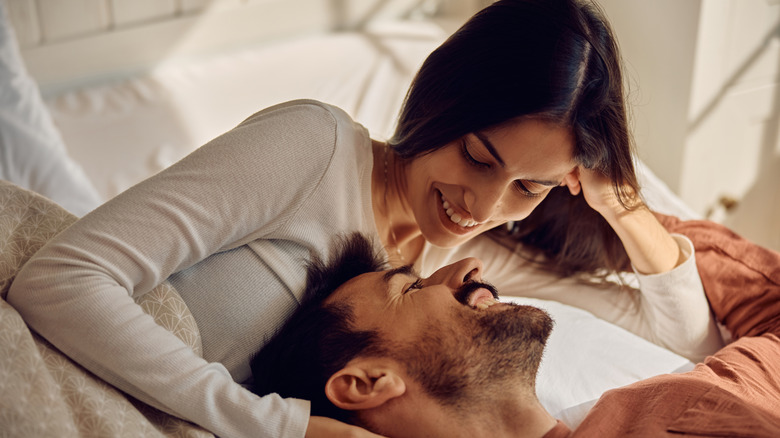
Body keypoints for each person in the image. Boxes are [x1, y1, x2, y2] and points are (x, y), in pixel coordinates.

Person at [7, 0, 723, 437]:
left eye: (528, 187)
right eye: (477, 156)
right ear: (442, 102)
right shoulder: (314, 151)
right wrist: (282, 427)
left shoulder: (456, 269)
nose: (482, 206)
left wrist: (620, 204)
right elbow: (61, 279)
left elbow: (688, 344)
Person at [251, 232, 780, 438]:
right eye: (410, 289)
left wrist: (623, 213)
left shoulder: (677, 401)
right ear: (367, 381)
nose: (469, 266)